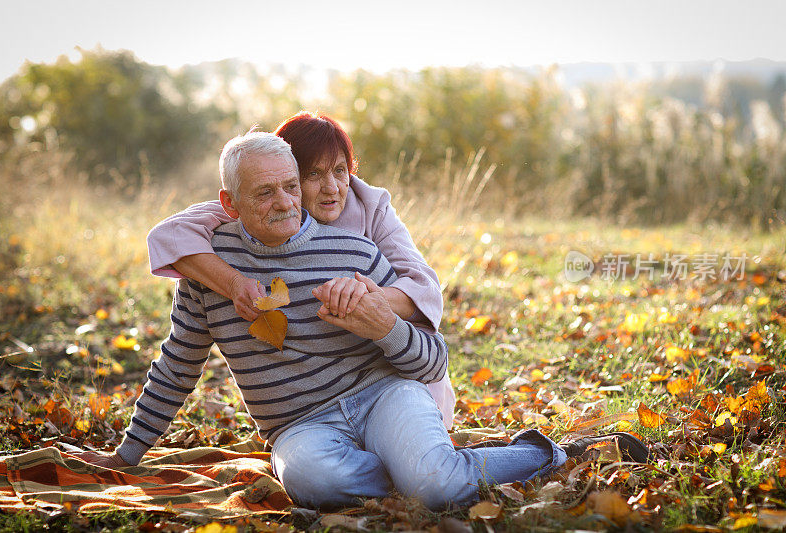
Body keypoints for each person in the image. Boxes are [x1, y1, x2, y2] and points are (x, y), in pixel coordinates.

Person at [83, 132, 581, 510]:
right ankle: (420, 470)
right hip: (300, 425)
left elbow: (433, 361)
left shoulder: (355, 250)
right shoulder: (207, 270)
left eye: (288, 188)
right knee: (313, 483)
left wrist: (383, 327)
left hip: (385, 395)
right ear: (229, 203)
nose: (284, 203)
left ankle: (541, 453)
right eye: (264, 194)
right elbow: (177, 365)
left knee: (437, 487)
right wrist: (127, 455)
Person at [145, 112, 455, 429]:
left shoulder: (370, 207)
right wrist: (234, 283)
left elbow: (424, 287)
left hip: (395, 379)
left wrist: (361, 296)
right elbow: (168, 236)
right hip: (312, 409)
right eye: (313, 175)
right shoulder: (267, 203)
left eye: (340, 171)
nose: (331, 187)